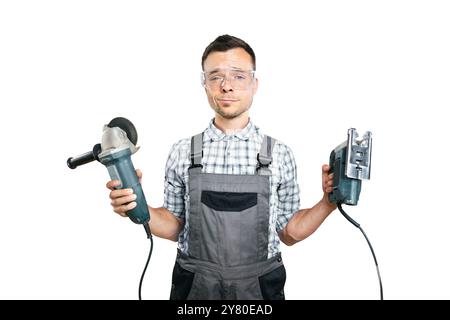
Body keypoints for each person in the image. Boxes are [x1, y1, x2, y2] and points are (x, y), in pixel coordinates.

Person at [106, 34, 337, 300]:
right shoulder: (183, 152)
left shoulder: (280, 154)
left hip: (259, 290)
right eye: (215, 76)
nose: (227, 86)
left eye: (238, 76)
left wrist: (328, 202)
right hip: (195, 288)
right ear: (204, 84)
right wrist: (136, 206)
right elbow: (174, 226)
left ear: (255, 83)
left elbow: (289, 232)